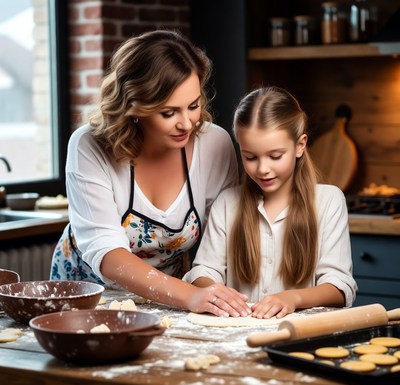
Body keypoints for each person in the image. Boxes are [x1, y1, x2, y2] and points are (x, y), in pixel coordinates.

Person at [50, 30, 251, 318]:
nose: (186, 123)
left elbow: (222, 237)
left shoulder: (214, 144)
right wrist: (190, 295)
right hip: (86, 295)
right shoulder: (89, 145)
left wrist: (210, 292)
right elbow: (107, 254)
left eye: (193, 106)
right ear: (134, 106)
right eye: (168, 113)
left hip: (169, 298)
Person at [183, 86, 357, 319]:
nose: (263, 169)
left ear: (300, 145)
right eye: (250, 157)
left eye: (275, 156)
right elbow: (204, 271)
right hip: (239, 337)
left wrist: (293, 298)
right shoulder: (227, 203)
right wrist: (218, 292)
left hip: (300, 337)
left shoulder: (328, 201)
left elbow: (339, 286)